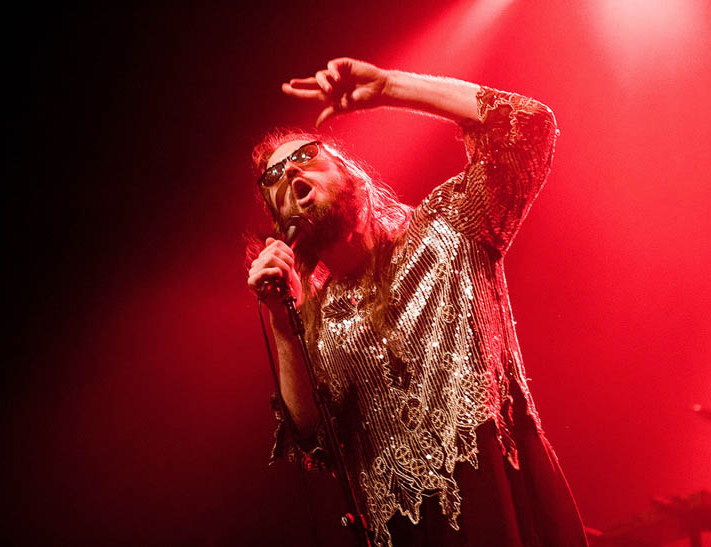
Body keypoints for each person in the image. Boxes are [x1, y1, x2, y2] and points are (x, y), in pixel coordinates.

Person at [247, 57, 587, 547]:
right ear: (281, 225)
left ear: (353, 175)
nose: (290, 177)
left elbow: (529, 129)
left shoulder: (451, 228)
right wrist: (282, 320)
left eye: (305, 157)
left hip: (500, 501)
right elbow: (311, 435)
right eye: (272, 179)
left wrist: (390, 86)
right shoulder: (309, 325)